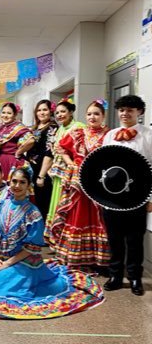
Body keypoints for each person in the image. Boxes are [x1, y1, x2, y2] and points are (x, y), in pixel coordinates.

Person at [0, 167, 104, 319]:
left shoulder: (33, 214)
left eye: (22, 182)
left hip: (24, 261)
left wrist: (7, 263)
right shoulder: (3, 205)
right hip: (1, 256)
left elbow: (32, 248)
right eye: (14, 181)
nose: (17, 185)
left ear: (28, 186)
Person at [50, 100, 110, 268]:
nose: (92, 117)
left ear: (103, 116)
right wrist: (71, 163)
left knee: (99, 218)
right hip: (78, 182)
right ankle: (75, 258)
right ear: (85, 116)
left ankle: (98, 260)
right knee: (78, 215)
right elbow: (60, 148)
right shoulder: (78, 133)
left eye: (97, 114)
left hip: (100, 182)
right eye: (89, 114)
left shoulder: (109, 135)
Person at [101, 95, 152, 296]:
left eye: (130, 110)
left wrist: (151, 197)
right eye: (121, 109)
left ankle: (135, 277)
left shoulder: (148, 135)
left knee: (134, 238)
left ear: (139, 112)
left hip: (138, 196)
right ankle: (115, 275)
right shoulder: (110, 135)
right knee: (113, 237)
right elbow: (102, 166)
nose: (125, 113)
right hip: (112, 197)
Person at [43, 99, 84, 246]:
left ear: (71, 112)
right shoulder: (60, 129)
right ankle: (57, 240)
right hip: (58, 173)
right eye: (57, 112)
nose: (60, 115)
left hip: (71, 173)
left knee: (67, 205)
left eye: (63, 112)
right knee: (56, 204)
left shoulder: (78, 127)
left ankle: (67, 242)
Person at [0, 102, 35, 180]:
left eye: (9, 113)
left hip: (10, 162)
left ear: (15, 114)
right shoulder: (2, 126)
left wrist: (18, 153)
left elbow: (31, 141)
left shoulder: (19, 127)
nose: (5, 115)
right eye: (3, 112)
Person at [27, 99, 58, 221]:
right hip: (31, 170)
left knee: (42, 204)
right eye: (39, 110)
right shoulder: (35, 127)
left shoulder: (52, 127)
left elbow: (49, 152)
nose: (41, 112)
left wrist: (42, 175)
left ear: (51, 111)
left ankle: (42, 235)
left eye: (45, 109)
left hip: (42, 171)